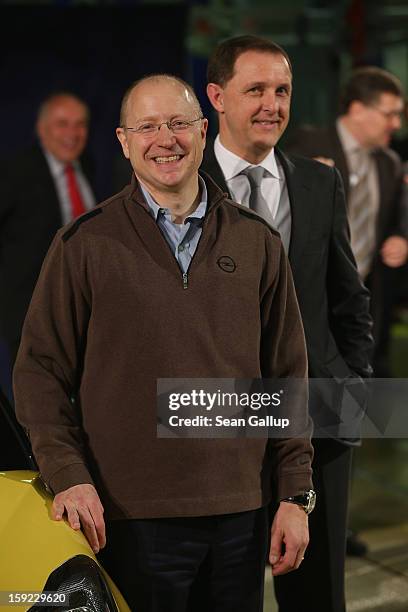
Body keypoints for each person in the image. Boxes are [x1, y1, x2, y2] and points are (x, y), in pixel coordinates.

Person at [14, 74, 314, 612]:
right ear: (124, 142)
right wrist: (68, 476)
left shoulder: (257, 241)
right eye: (147, 127)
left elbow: (286, 376)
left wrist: (294, 494)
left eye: (178, 123)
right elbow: (39, 374)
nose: (165, 139)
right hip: (129, 517)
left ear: (203, 131)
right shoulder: (84, 244)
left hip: (242, 516)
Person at [204, 36, 373, 612]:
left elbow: (348, 299)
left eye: (282, 90)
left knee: (318, 592)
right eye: (255, 89)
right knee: (227, 591)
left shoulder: (319, 183)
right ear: (216, 98)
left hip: (318, 415)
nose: (272, 104)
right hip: (216, 418)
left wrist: (353, 388)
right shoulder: (178, 183)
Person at [286, 67, 408, 376]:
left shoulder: (389, 163)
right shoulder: (306, 149)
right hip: (313, 298)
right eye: (389, 114)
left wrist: (400, 238)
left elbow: (393, 219)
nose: (396, 124)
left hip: (366, 298)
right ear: (357, 109)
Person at [0, 92, 96, 367]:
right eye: (62, 124)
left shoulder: (88, 165)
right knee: (38, 402)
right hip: (30, 312)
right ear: (41, 129)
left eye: (80, 125)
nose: (73, 133)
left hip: (84, 310)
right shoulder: (15, 172)